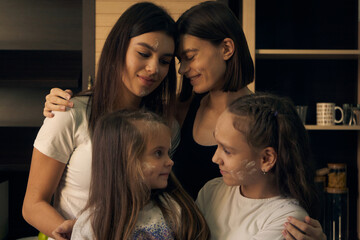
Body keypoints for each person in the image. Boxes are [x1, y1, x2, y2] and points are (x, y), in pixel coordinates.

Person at [41, 1, 325, 239]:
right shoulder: (175, 112)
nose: (182, 69)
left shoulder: (268, 119)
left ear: (226, 49)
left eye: (188, 57)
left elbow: (293, 189)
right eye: (177, 60)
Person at [22, 2, 178, 239]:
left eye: (165, 61)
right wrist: (79, 234)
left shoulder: (167, 127)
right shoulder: (70, 114)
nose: (153, 68)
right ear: (118, 48)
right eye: (144, 54)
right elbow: (33, 204)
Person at [196, 93, 320, 239]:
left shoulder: (288, 220)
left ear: (266, 159)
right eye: (217, 145)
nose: (215, 158)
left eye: (227, 151)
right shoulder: (211, 191)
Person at [70, 109, 209, 239]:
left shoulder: (175, 209)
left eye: (168, 152)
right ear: (123, 160)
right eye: (158, 153)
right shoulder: (90, 225)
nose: (170, 162)